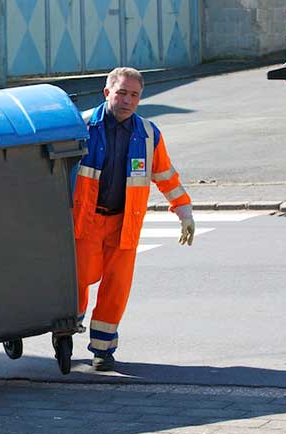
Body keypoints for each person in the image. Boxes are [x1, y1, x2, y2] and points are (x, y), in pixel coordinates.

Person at [72, 67, 195, 371]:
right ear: (107, 93)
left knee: (117, 288)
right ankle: (67, 327)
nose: (127, 100)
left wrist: (184, 210)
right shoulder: (82, 127)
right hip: (85, 221)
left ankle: (103, 350)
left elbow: (165, 175)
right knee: (78, 280)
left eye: (134, 95)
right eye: (122, 93)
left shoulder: (149, 134)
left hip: (124, 222)